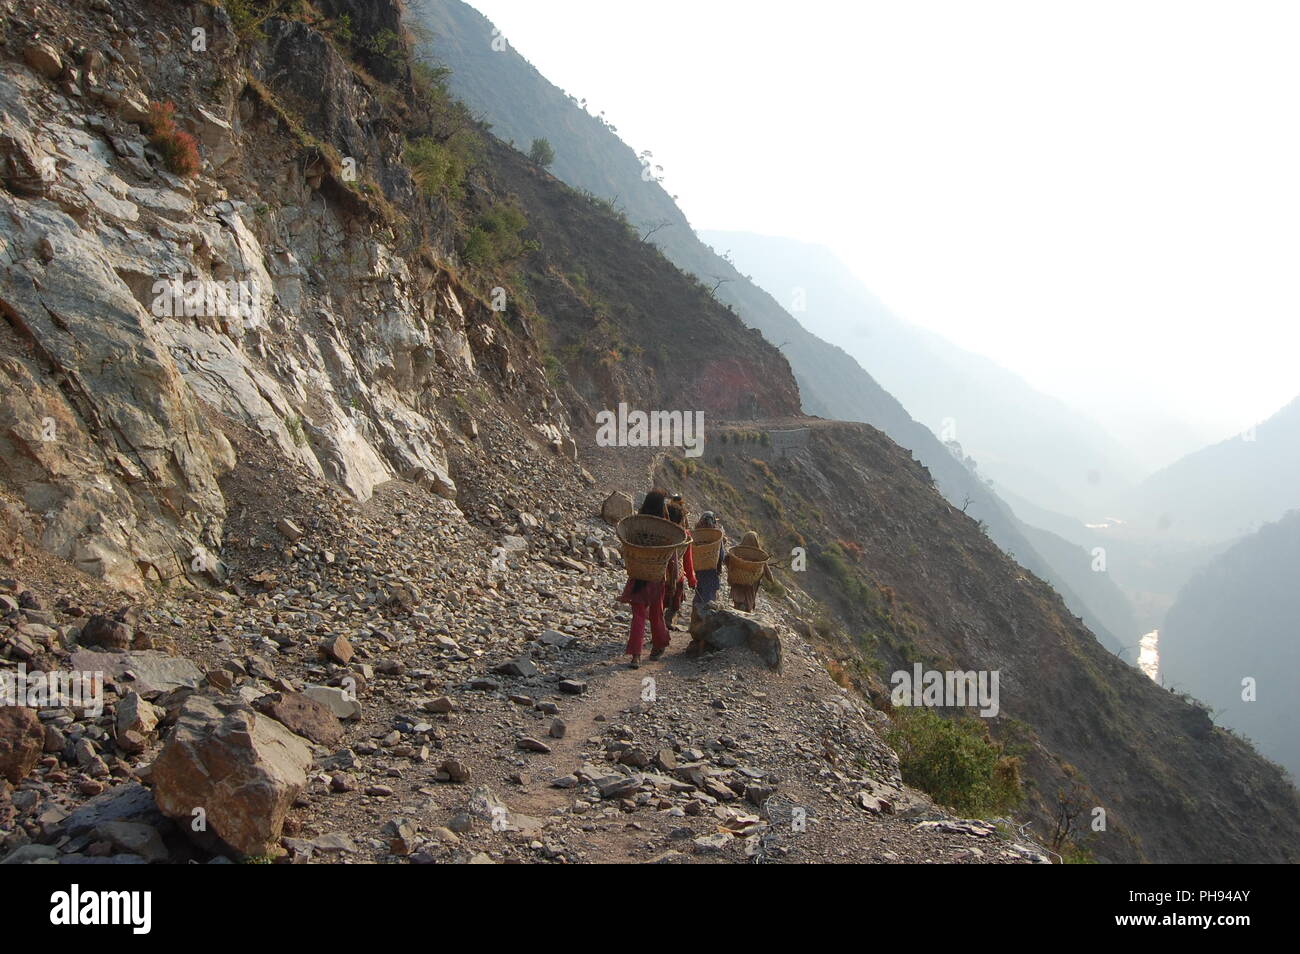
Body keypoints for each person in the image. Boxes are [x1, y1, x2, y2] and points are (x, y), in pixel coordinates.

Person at [617, 490, 674, 668]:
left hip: (638, 576)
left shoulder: (637, 525)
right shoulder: (665, 529)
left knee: (638, 616)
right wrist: (673, 577)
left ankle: (636, 655)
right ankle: (658, 645)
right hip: (656, 578)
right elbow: (671, 553)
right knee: (657, 614)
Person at [662, 495, 697, 633]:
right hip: (677, 577)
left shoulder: (660, 532)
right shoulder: (686, 535)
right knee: (675, 604)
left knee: (659, 605)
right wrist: (692, 580)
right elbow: (688, 561)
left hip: (661, 574)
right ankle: (667, 622)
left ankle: (658, 626)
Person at [690, 511, 726, 626]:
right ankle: (704, 627)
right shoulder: (716, 537)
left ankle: (694, 623)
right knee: (709, 600)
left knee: (698, 596)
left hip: (698, 571)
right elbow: (721, 556)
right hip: (711, 573)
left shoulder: (696, 535)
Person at [729, 529, 772, 612]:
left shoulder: (737, 552)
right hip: (749, 595)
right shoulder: (760, 556)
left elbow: (727, 559)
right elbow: (769, 577)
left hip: (737, 593)